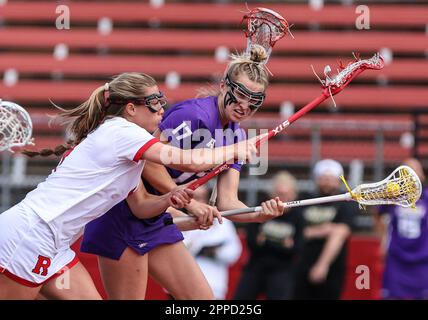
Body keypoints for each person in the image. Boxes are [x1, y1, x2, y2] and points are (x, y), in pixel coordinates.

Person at [0, 72, 257, 300]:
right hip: (31, 235)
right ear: (131, 109)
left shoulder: (131, 158)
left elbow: (142, 206)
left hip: (55, 246)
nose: (161, 111)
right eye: (153, 103)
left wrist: (171, 198)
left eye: (161, 101)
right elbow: (186, 161)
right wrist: (234, 149)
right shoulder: (121, 132)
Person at [79, 45, 285, 300]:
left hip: (156, 216)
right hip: (124, 212)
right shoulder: (194, 116)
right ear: (224, 86)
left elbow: (227, 201)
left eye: (254, 100)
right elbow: (149, 160)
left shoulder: (237, 135)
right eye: (240, 95)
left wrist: (259, 216)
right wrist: (183, 200)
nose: (245, 105)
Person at [293, 159, 358, 300]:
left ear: (338, 180)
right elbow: (296, 231)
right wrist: (325, 229)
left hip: (332, 267)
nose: (327, 182)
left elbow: (341, 232)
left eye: (331, 178)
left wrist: (322, 265)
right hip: (301, 262)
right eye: (323, 178)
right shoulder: (305, 199)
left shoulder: (346, 202)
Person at [234, 171, 304, 299]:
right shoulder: (261, 208)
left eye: (285, 194)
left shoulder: (297, 215)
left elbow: (297, 249)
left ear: (293, 195)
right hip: (256, 266)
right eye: (278, 194)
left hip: (282, 270)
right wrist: (282, 244)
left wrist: (266, 241)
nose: (281, 199)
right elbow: (251, 241)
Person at [375, 158, 428, 299]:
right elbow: (378, 214)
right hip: (396, 256)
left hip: (422, 257)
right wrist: (383, 240)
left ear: (422, 175)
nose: (411, 175)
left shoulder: (427, 198)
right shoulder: (393, 198)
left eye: (415, 170)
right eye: (406, 170)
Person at [181, 185, 242, 300]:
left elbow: (234, 252)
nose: (199, 203)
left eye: (202, 198)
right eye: (194, 199)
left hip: (213, 285)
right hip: (182, 287)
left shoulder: (221, 221)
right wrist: (198, 247)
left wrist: (213, 251)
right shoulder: (179, 220)